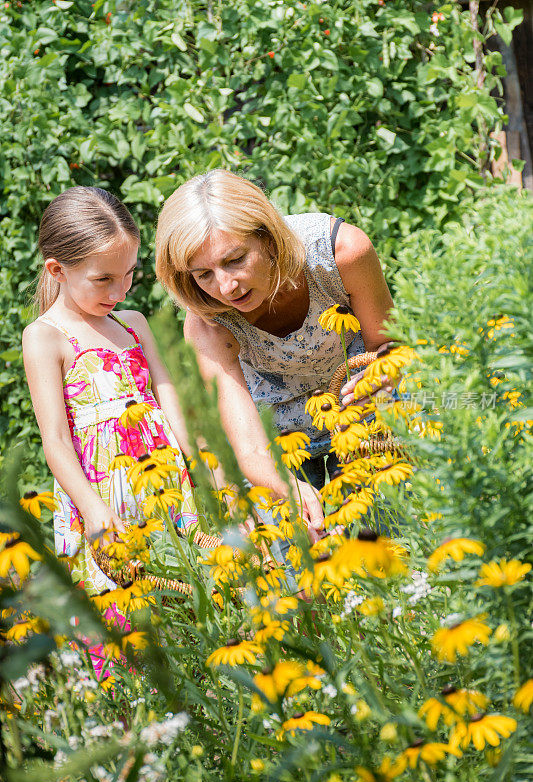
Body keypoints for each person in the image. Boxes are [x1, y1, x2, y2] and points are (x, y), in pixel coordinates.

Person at [155, 170, 395, 533]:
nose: (225, 286)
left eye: (235, 259)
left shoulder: (339, 253)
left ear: (267, 238)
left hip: (359, 416)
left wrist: (379, 377)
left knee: (386, 543)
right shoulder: (206, 319)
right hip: (279, 446)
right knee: (305, 571)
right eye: (203, 274)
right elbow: (248, 444)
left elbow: (387, 346)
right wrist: (288, 488)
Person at [22, 186, 200, 596]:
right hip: (103, 497)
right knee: (127, 608)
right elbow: (56, 441)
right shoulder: (45, 337)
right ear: (57, 270)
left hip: (166, 485)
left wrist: (205, 464)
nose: (119, 292)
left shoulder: (133, 323)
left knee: (190, 596)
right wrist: (94, 511)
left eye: (129, 273)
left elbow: (167, 396)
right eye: (103, 279)